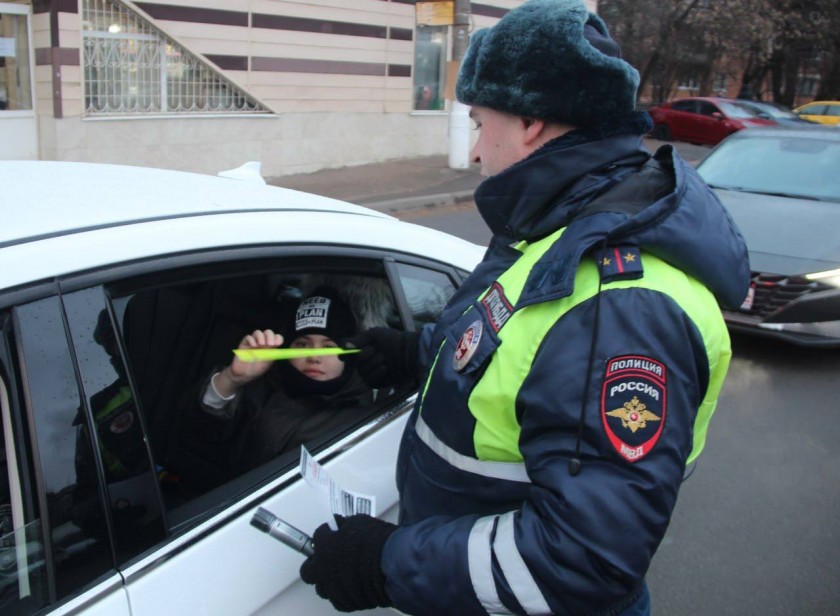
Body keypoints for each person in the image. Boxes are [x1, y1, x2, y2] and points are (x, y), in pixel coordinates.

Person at [298, 1, 750, 614]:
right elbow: (506, 342)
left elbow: (583, 560)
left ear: (531, 121)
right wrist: (416, 355)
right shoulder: (559, 232)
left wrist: (385, 564)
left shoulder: (617, 309)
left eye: (482, 122)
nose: (478, 149)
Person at [197, 286, 374, 475]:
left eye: (329, 347)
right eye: (302, 344)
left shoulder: (360, 423)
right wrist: (231, 379)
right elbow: (199, 440)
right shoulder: (263, 386)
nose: (314, 357)